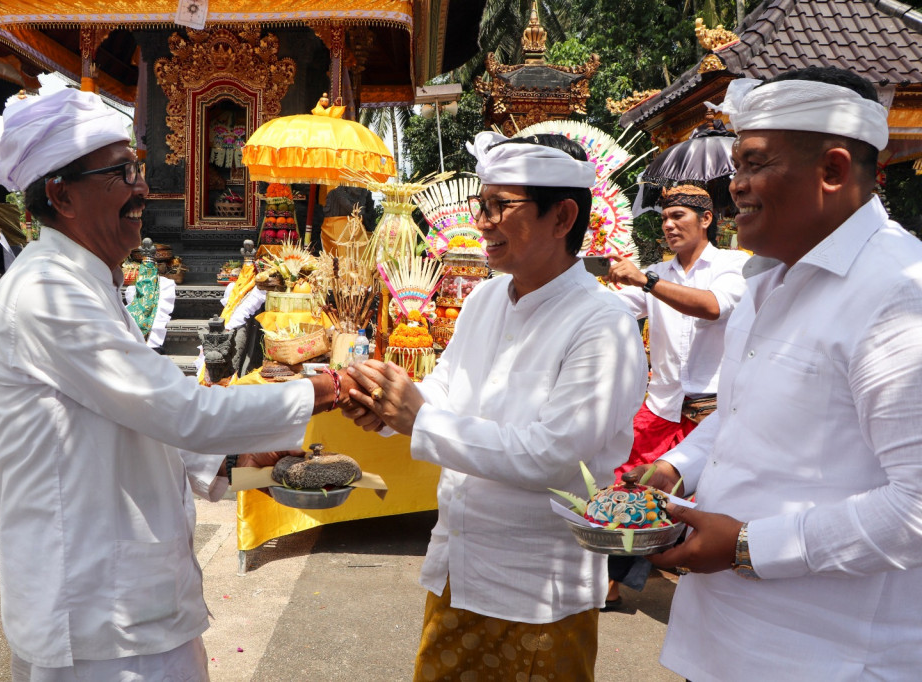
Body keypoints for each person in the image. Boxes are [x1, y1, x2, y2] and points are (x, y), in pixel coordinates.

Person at [0, 88, 355, 681]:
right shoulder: (45, 295)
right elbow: (179, 410)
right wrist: (328, 389)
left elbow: (145, 418)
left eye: (139, 169)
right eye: (121, 172)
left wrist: (235, 464)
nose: (141, 188)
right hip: (96, 613)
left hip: (135, 600)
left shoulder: (93, 286)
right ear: (60, 193)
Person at [636, 66, 922, 679]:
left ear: (833, 170)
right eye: (736, 166)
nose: (734, 187)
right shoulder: (769, 279)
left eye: (754, 164)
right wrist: (675, 468)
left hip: (824, 657)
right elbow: (741, 414)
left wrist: (746, 545)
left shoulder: (899, 293)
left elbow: (915, 508)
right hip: (722, 640)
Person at [343, 131, 647, 681]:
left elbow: (553, 457)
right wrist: (387, 409)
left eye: (499, 206)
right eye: (480, 205)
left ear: (562, 218)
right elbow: (447, 391)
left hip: (535, 588)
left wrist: (419, 418)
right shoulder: (485, 298)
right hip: (460, 566)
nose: (481, 221)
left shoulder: (603, 324)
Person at [601, 184, 748, 608]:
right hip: (662, 407)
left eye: (678, 216)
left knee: (712, 500)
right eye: (664, 218)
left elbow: (713, 307)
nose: (668, 225)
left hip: (714, 410)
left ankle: (707, 587)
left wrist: (645, 281)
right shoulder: (657, 272)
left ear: (706, 220)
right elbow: (611, 310)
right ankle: (611, 583)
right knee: (627, 488)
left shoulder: (732, 265)